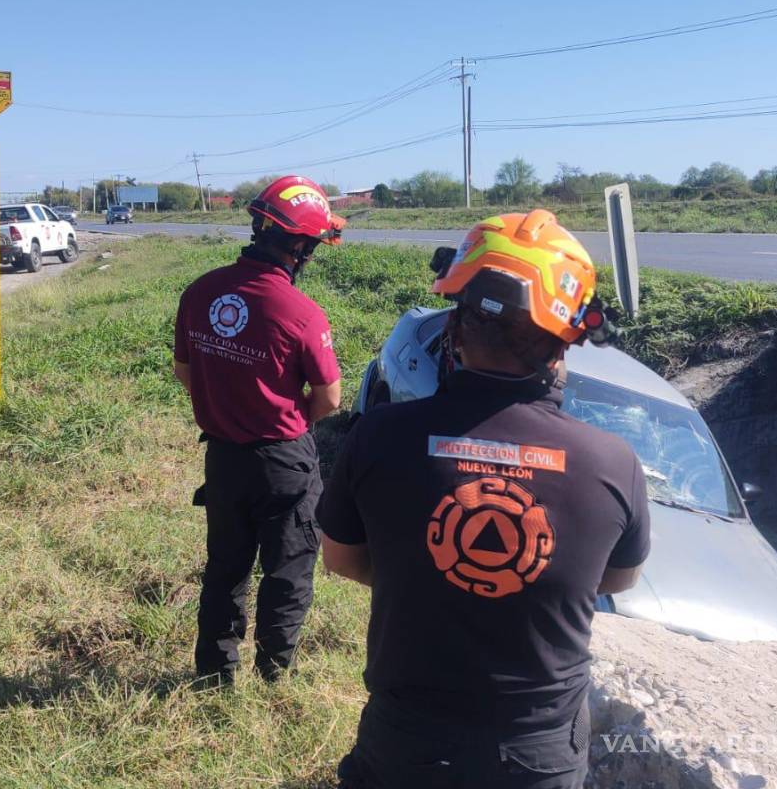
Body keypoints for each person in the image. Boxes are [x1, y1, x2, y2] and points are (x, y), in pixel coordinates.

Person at [317, 210, 651, 788]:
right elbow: (616, 580)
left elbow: (341, 558)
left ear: (455, 324)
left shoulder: (381, 435)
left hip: (406, 743)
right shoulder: (612, 462)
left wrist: (427, 573)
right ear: (568, 334)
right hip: (539, 754)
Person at [173, 175, 346, 683]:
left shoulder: (200, 291)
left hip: (223, 458)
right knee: (288, 569)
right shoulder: (302, 313)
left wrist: (229, 406)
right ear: (297, 245)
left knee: (225, 567)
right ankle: (274, 675)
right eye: (311, 245)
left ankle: (214, 673)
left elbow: (186, 371)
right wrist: (288, 421)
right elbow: (330, 398)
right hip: (284, 462)